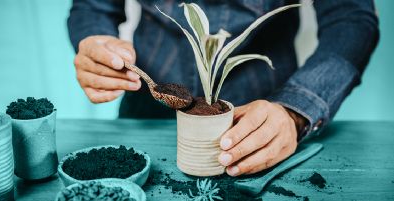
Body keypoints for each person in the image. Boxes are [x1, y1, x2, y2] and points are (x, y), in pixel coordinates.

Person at [67, 0, 379, 177]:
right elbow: (90, 7)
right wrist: (96, 42)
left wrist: (295, 109)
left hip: (258, 121)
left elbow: (350, 16)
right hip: (145, 110)